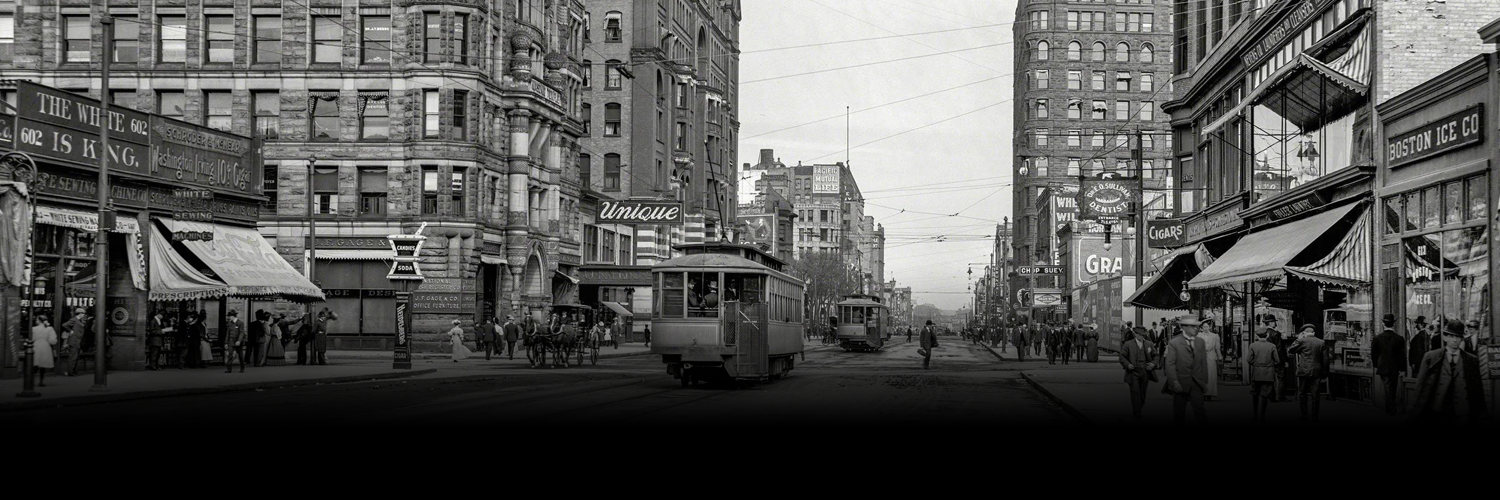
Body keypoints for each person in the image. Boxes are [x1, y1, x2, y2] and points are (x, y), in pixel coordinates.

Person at [1410, 319, 1489, 425]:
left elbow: (1477, 391)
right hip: (1437, 413)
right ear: (1445, 337)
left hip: (1462, 414)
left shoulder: (1471, 360)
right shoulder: (1431, 358)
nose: (1455, 340)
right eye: (1451, 336)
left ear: (1462, 339)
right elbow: (1420, 387)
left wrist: (1482, 416)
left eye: (1458, 337)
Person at [1163, 315, 1209, 425]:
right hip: (1180, 383)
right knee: (1179, 412)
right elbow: (1170, 364)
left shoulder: (1200, 342)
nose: (1196, 328)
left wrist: (1205, 382)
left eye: (1196, 326)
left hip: (1197, 383)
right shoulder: (1175, 343)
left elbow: (1203, 363)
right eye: (1192, 326)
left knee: (1200, 411)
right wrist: (1174, 381)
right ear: (1184, 327)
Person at [1288, 324, 1327, 422]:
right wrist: (1325, 373)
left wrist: (1298, 338)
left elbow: (1291, 350)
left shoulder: (1302, 341)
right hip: (1316, 371)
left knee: (1302, 393)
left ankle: (1304, 415)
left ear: (1304, 333)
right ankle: (1315, 416)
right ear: (1313, 332)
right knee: (1315, 395)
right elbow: (1325, 359)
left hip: (1304, 370)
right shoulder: (1321, 342)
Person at [1370, 314, 1407, 416]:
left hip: (1383, 366)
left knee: (1387, 387)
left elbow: (1373, 354)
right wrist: (1402, 368)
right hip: (1395, 367)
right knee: (1393, 387)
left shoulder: (1377, 338)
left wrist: (1377, 364)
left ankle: (1390, 409)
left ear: (1383, 324)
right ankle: (1390, 408)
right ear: (1393, 324)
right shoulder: (1399, 338)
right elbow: (1401, 355)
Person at [1120, 326, 1156, 419]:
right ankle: (1137, 413)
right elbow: (1122, 357)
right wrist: (1127, 364)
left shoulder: (1149, 344)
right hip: (1133, 371)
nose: (1141, 337)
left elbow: (1156, 356)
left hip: (1145, 371)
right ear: (1135, 334)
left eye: (1143, 335)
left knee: (1143, 394)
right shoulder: (1128, 344)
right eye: (1139, 335)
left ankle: (1139, 408)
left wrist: (1153, 364)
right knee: (1135, 392)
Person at [1246, 327, 1280, 423]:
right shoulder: (1272, 346)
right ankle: (1262, 415)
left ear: (1257, 336)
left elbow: (1249, 359)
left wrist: (1255, 363)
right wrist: (1271, 364)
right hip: (1268, 372)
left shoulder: (1252, 345)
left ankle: (1255, 413)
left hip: (1256, 372)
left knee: (1255, 393)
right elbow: (1277, 360)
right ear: (1267, 335)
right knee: (1265, 395)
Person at [30, 317, 57, 386]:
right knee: (43, 364)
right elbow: (53, 340)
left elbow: (32, 339)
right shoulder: (49, 329)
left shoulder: (34, 329)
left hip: (36, 345)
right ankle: (41, 381)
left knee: (35, 363)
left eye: (36, 320)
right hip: (45, 346)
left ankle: (30, 380)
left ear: (39, 321)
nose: (36, 321)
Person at [1200, 316, 1222, 400]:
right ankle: (1203, 393)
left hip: (1211, 355)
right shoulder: (1199, 335)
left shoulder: (1215, 336)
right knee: (1203, 374)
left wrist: (1219, 356)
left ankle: (1210, 393)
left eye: (1207, 326)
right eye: (1204, 327)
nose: (1205, 328)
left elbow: (1217, 347)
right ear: (1202, 327)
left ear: (1209, 327)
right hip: (1202, 356)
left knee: (1211, 375)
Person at [60, 308, 88, 376]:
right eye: (83, 313)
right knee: (73, 357)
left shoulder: (79, 320)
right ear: (80, 313)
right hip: (74, 340)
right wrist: (70, 330)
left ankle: (73, 371)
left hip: (78, 341)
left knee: (76, 357)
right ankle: (71, 372)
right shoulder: (74, 319)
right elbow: (64, 325)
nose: (84, 315)